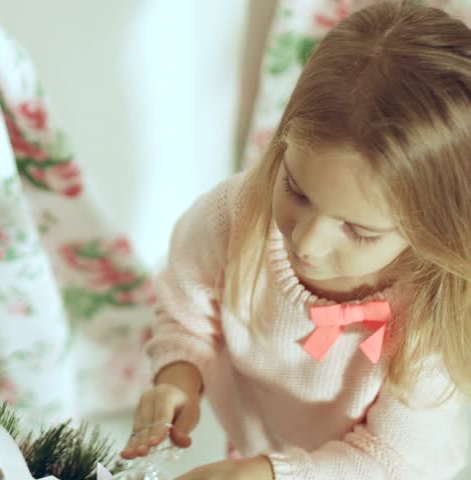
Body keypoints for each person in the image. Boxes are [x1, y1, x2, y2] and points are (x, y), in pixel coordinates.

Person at [121, 1, 471, 478]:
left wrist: (268, 473)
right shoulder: (234, 215)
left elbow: (392, 460)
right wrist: (178, 378)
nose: (306, 242)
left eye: (358, 231)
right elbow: (186, 310)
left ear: (431, 227)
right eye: (295, 189)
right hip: (267, 446)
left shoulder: (433, 313)